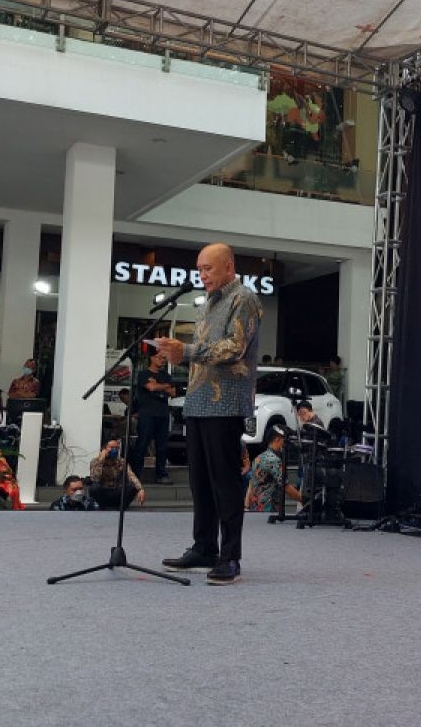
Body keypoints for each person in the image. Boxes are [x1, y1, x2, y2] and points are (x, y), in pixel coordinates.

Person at [157, 242, 261, 585]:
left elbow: (234, 348)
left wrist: (185, 350)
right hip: (199, 402)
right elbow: (203, 353)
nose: (202, 275)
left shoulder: (242, 298)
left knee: (225, 482)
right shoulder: (209, 303)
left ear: (229, 267)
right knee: (199, 481)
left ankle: (230, 556)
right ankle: (204, 547)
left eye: (209, 269)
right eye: (199, 269)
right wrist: (176, 354)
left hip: (226, 403)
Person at [129, 350, 174, 484]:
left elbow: (173, 392)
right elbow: (151, 388)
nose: (162, 360)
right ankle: (136, 474)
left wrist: (159, 385)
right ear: (151, 358)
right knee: (142, 443)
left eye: (163, 358)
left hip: (163, 414)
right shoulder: (143, 374)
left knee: (162, 446)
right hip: (147, 414)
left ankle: (161, 474)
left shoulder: (166, 375)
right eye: (159, 357)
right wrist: (164, 387)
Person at [245, 424, 302, 512]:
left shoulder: (258, 458)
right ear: (277, 439)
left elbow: (251, 485)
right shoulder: (274, 461)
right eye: (285, 440)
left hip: (256, 510)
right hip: (269, 510)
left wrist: (247, 507)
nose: (286, 444)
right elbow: (286, 487)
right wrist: (303, 500)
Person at [84, 439, 146, 510]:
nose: (115, 450)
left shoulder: (121, 462)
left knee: (132, 486)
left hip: (117, 491)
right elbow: (95, 478)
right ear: (104, 449)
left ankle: (121, 508)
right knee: (94, 488)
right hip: (104, 492)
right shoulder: (95, 461)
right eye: (112, 447)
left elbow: (131, 475)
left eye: (116, 448)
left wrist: (140, 489)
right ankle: (102, 507)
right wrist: (101, 460)